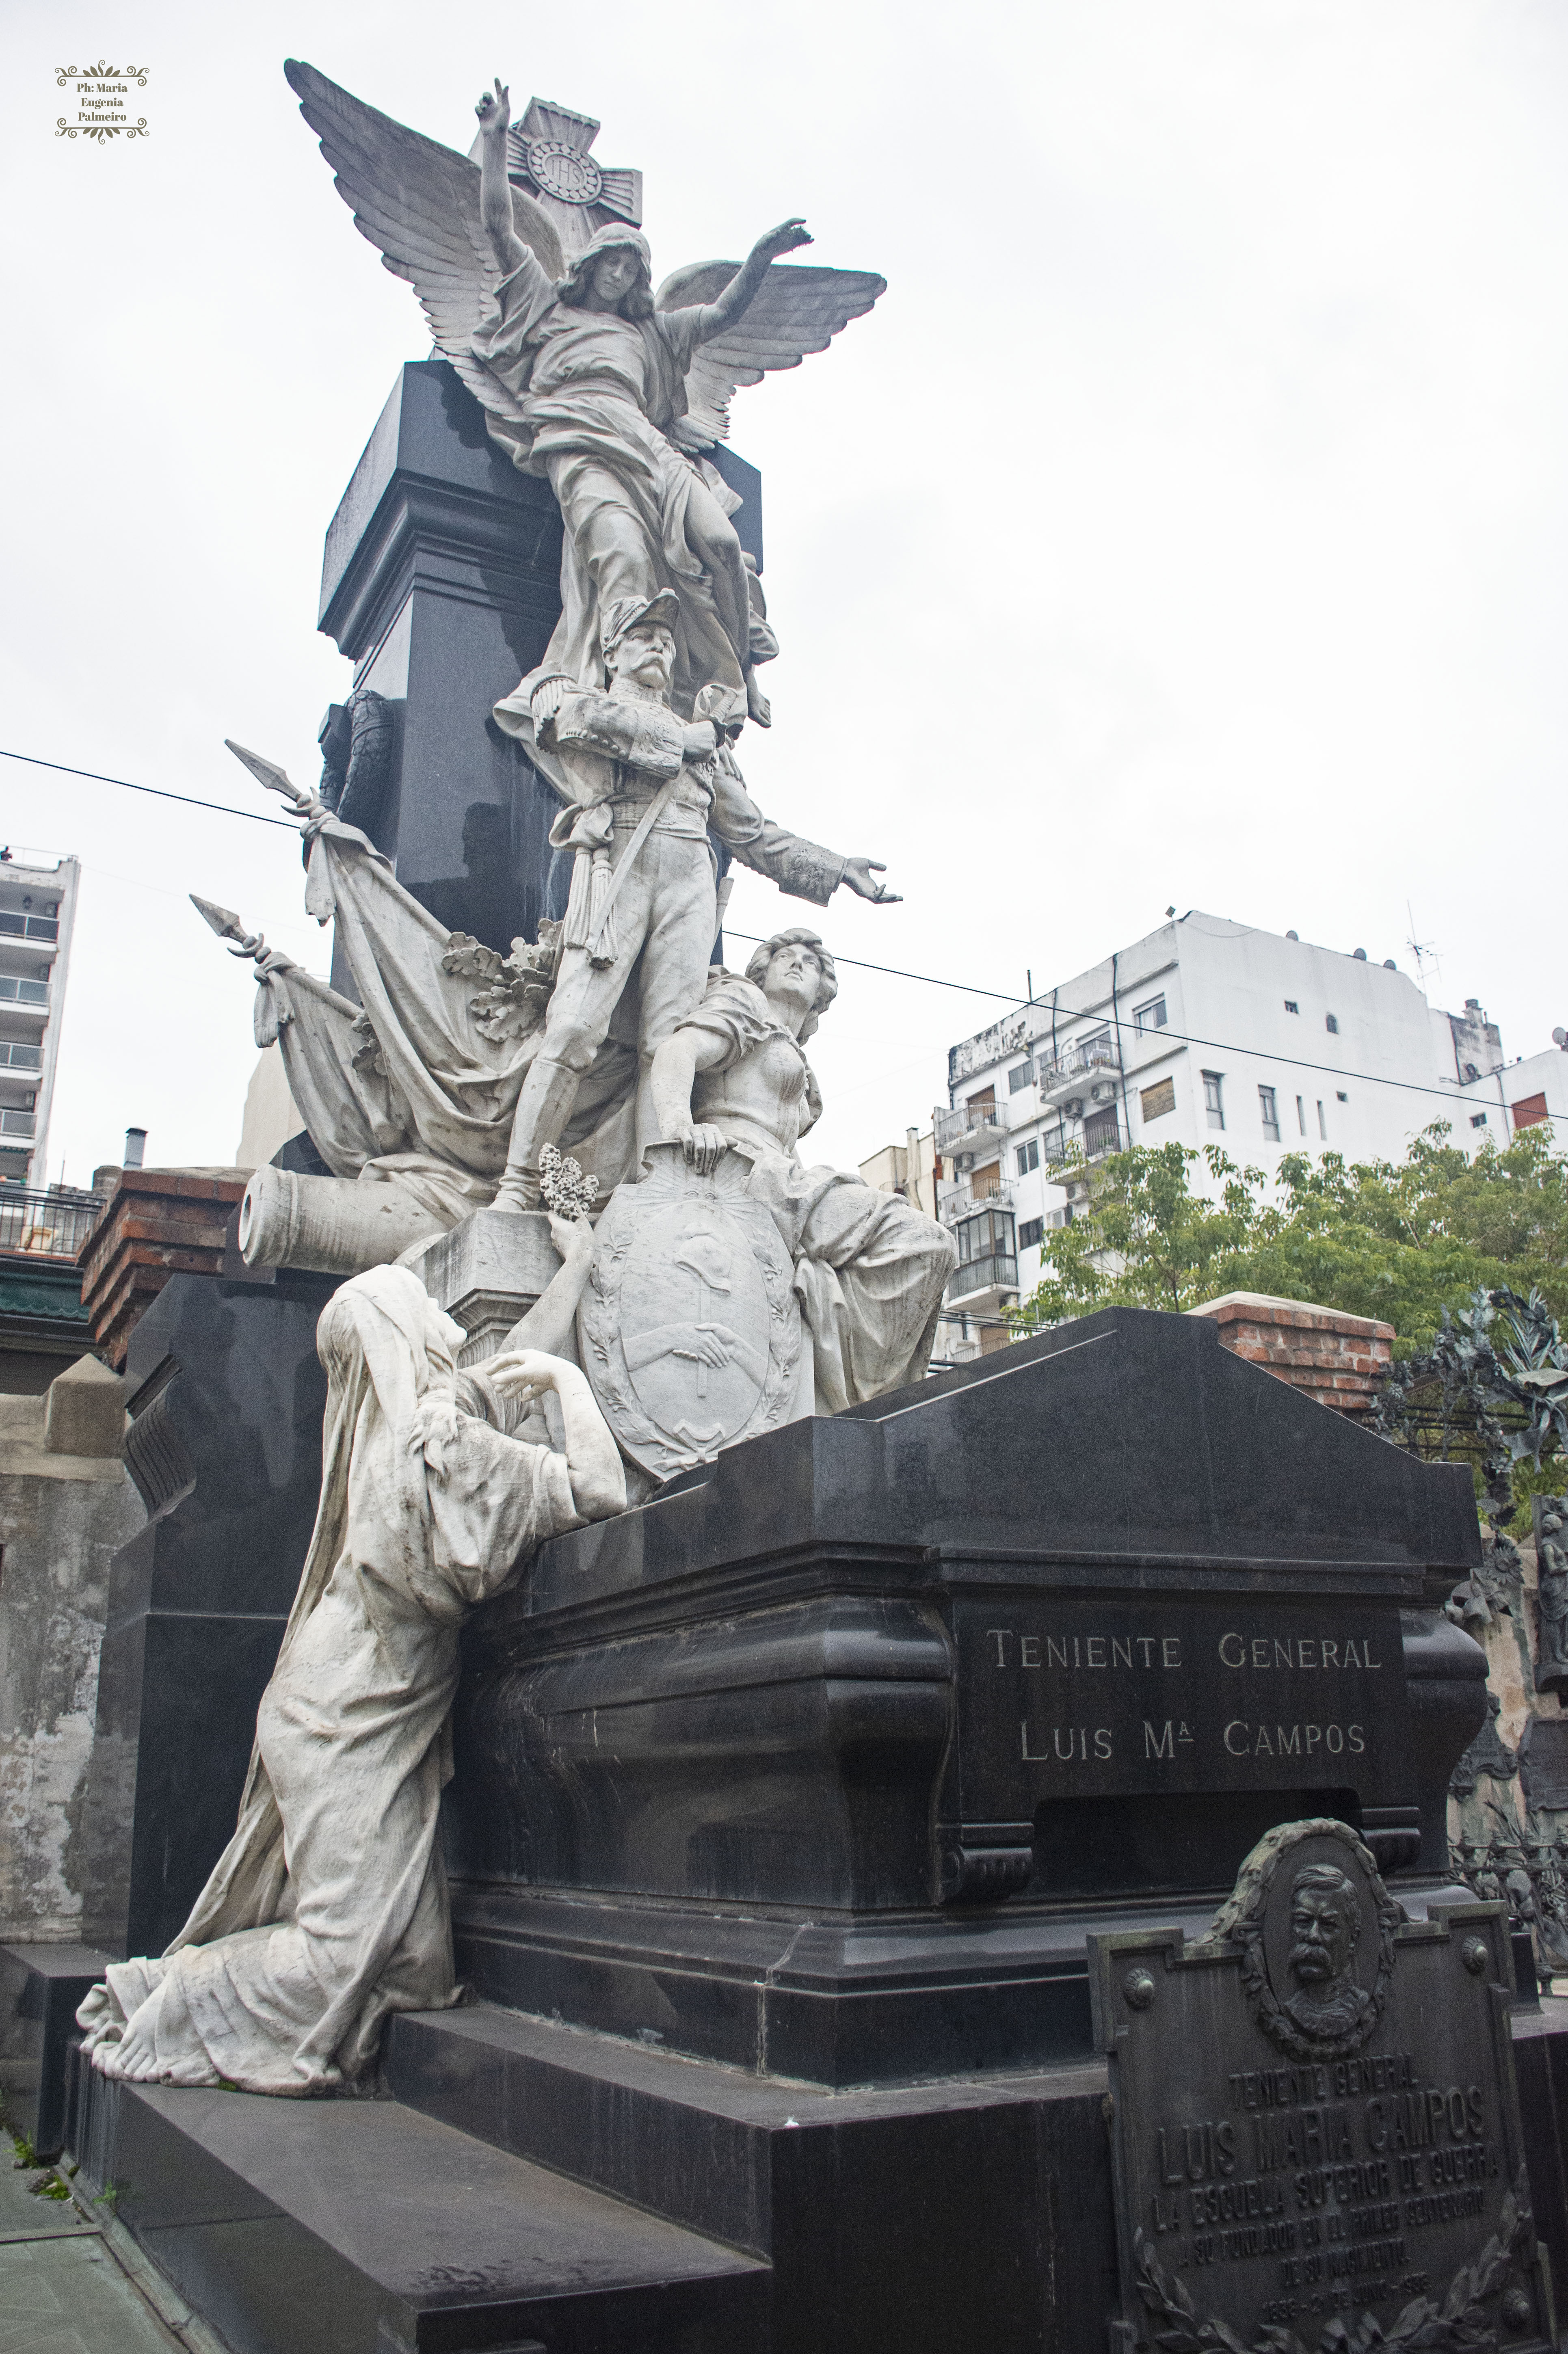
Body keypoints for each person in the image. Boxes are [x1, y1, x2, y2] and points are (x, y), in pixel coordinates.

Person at [76, 1219, 624, 2095]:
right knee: (338, 1960)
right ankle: (165, 1997)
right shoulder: (431, 1464)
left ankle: (222, 1984)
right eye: (427, 1310)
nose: (449, 1324)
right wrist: (568, 1384)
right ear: (408, 1337)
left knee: (411, 1971)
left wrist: (582, 1266)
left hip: (330, 1706)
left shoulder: (396, 1435)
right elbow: (597, 1488)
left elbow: (505, 1363)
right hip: (343, 1726)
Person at [493, 593, 896, 1209]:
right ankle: (517, 1186)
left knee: (667, 1043)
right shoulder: (583, 698)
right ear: (611, 650)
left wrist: (837, 869)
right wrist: (689, 736)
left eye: (666, 637)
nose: (659, 644)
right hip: (618, 864)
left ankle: (658, 1199)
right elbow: (572, 724)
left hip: (688, 879)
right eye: (643, 634)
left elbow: (753, 833)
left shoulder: (709, 746)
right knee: (574, 1027)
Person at [471, 78, 805, 725]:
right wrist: (492, 143)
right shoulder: (545, 307)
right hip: (582, 440)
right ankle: (626, 705)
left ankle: (739, 678)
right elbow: (496, 226)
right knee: (622, 558)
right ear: (591, 264)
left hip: (648, 444)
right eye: (612, 263)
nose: (620, 274)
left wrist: (759, 259)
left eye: (631, 267)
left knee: (722, 547)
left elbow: (726, 312)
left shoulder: (652, 333)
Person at [649, 925, 958, 1412]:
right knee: (925, 1241)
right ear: (761, 971)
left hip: (783, 1179)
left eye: (810, 964)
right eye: (784, 956)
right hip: (746, 1168)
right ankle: (855, 1393)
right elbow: (678, 1050)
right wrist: (681, 1129)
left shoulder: (791, 1048)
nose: (797, 964)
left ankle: (844, 1385)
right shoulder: (745, 1003)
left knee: (927, 1246)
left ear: (821, 993)